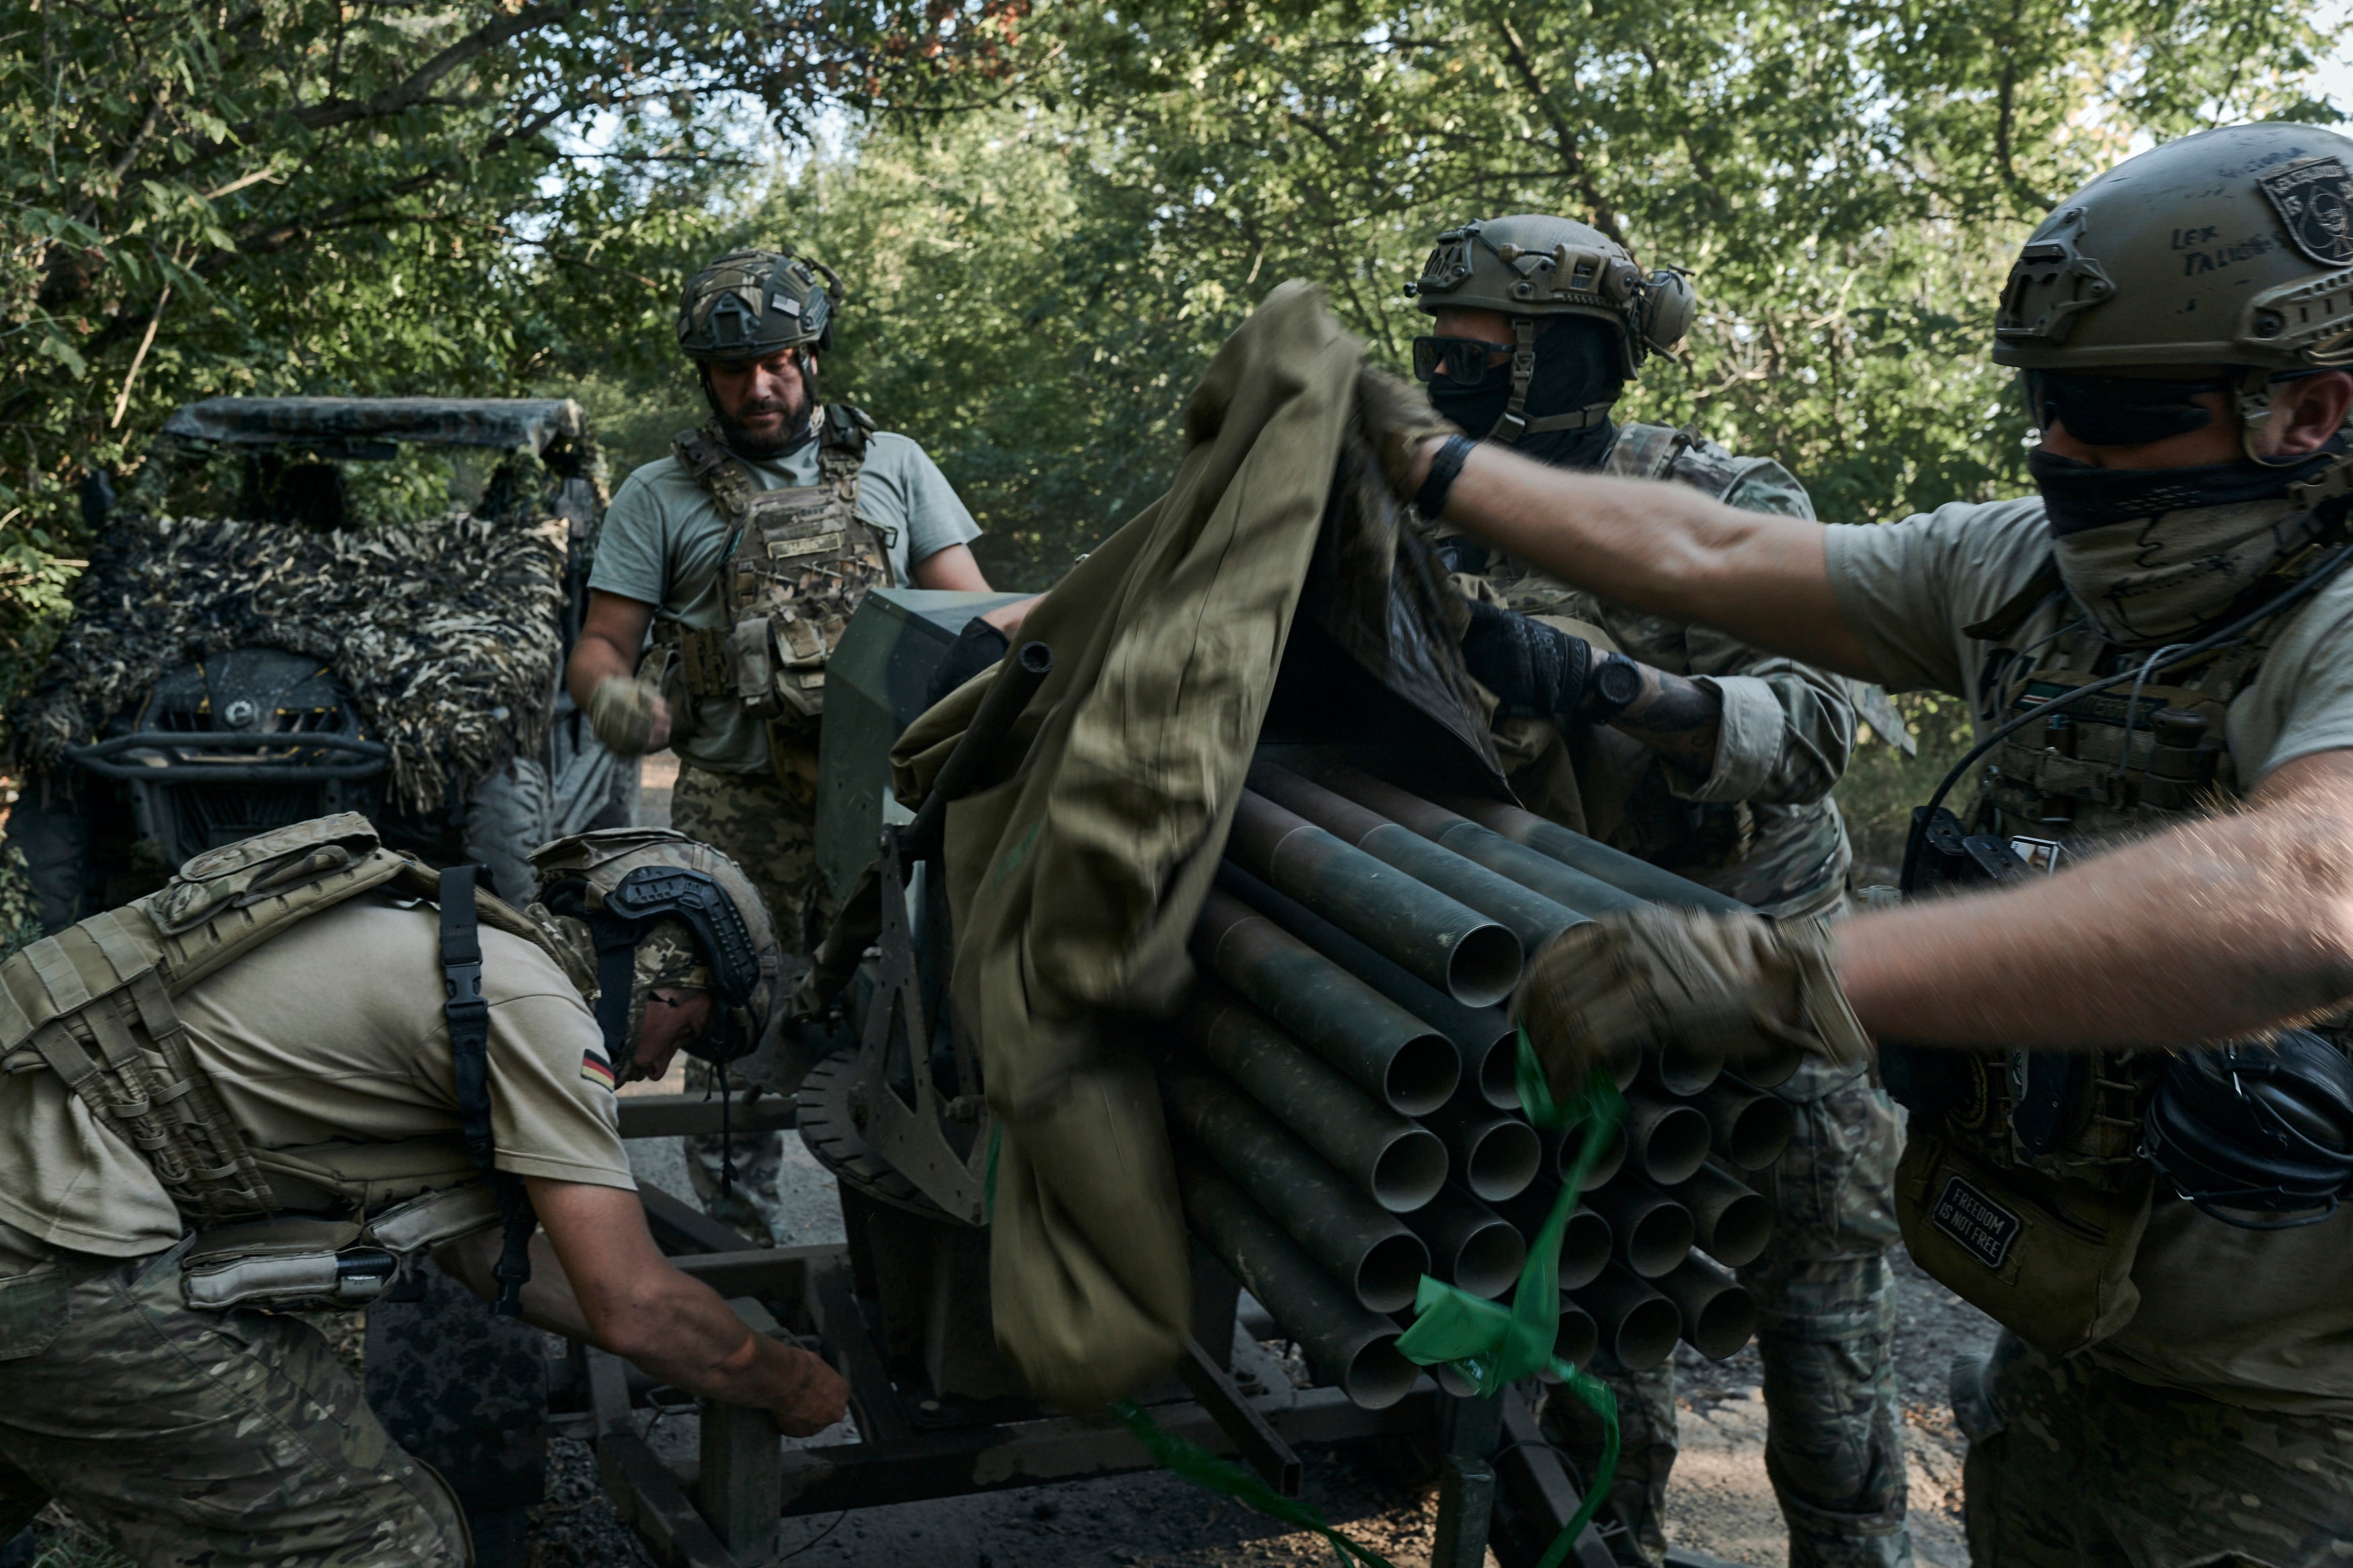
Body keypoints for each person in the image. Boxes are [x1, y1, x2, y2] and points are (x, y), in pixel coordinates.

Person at [1366, 120, 2353, 1564]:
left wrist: (1789, 970)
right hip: (2078, 1346)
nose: (2064, 447)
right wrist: (1424, 459)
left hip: (2300, 1426)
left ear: (2308, 411)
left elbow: (2308, 886)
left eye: (2117, 412)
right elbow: (1706, 555)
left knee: (1817, 1321)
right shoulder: (2022, 569)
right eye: (2046, 406)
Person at [1408, 212, 1909, 1568]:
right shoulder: (1417, 514)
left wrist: (1612, 684)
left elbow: (1813, 725)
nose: (1441, 368)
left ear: (1562, 356)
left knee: (1821, 1349)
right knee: (1588, 1327)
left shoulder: (1715, 497)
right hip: (1572, 987)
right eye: (1436, 343)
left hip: (1761, 981)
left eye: (1475, 349)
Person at [0, 816, 848, 1563]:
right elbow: (633, 1302)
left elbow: (490, 1258)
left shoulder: (465, 961)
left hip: (29, 1204)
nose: (661, 1066)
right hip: (47, 1249)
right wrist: (783, 1379)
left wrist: (699, 1352)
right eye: (688, 1029)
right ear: (660, 968)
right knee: (385, 1542)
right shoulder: (536, 1007)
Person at [567, 246, 1014, 1243]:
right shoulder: (658, 495)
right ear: (706, 378)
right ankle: (741, 1255)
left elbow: (976, 620)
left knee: (910, 1023)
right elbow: (602, 645)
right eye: (735, 371)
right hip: (736, 800)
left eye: (779, 361)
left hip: (888, 801)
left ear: (812, 356)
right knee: (729, 1029)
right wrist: (613, 700)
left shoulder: (897, 467)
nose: (759, 386)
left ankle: (911, 1256)